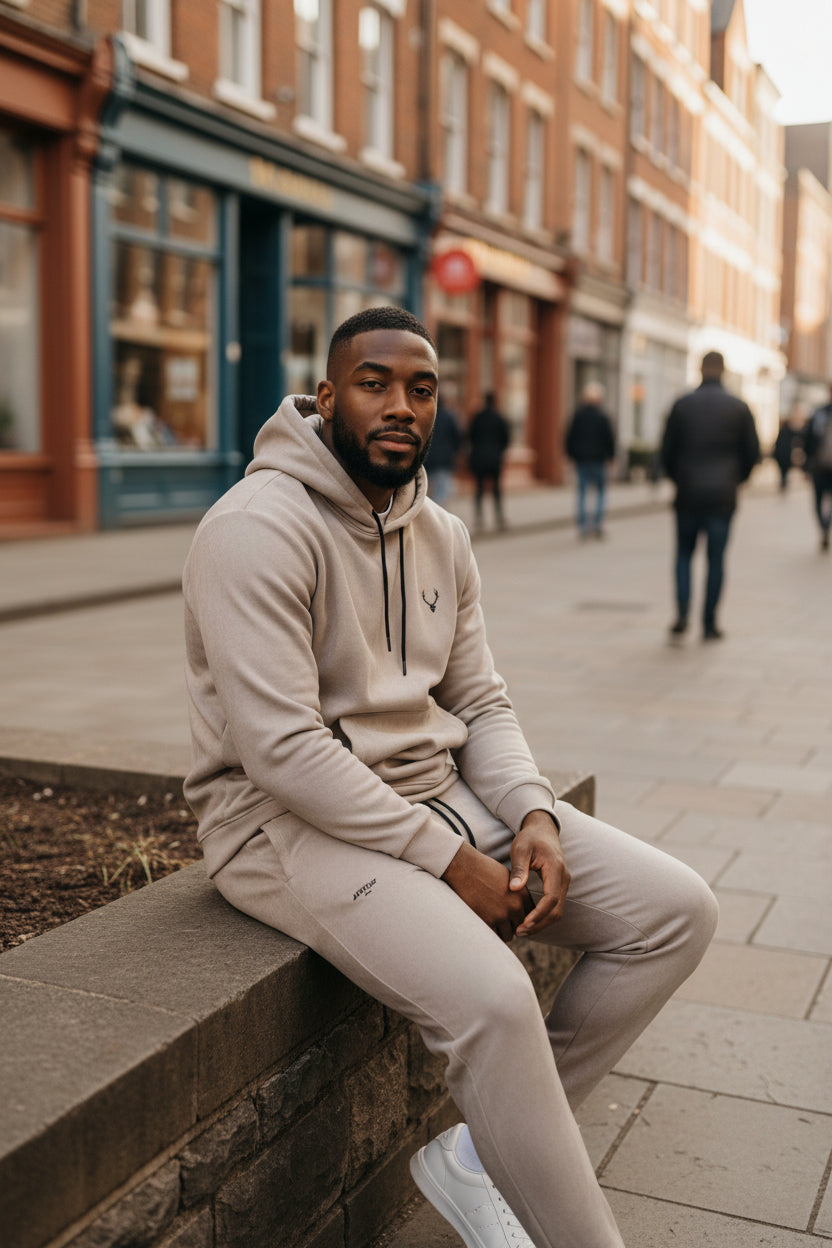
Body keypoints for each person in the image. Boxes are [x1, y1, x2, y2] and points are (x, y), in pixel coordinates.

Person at [183, 306, 718, 1248]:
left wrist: (535, 815)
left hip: (439, 793)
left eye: (421, 389)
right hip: (279, 824)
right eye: (375, 383)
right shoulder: (255, 529)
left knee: (675, 911)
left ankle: (481, 1156)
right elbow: (283, 751)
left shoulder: (443, 533)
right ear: (325, 397)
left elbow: (484, 703)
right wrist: (447, 859)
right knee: (496, 998)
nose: (401, 406)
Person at [660, 350, 759, 641]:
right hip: (722, 496)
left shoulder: (682, 405)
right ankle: (710, 623)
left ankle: (681, 615)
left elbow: (666, 452)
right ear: (723, 371)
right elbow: (751, 454)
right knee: (716, 559)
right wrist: (735, 479)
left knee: (683, 555)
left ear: (700, 369)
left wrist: (680, 479)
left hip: (688, 493)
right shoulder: (739, 408)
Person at [564, 381, 617, 538]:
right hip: (598, 459)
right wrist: (611, 456)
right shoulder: (602, 417)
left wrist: (570, 455)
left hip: (582, 459)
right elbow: (609, 439)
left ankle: (582, 526)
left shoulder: (578, 416)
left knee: (582, 492)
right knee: (600, 492)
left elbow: (569, 437)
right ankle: (597, 524)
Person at [467, 392, 510, 531]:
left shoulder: (478, 418)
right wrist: (499, 451)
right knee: (496, 489)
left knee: (479, 488)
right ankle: (499, 517)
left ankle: (479, 518)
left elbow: (470, 436)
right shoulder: (499, 418)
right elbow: (506, 439)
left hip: (479, 457)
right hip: (494, 459)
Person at [803, 390, 832, 551]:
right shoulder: (819, 413)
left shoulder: (819, 413)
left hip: (819, 466)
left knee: (818, 501)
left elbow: (808, 439)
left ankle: (824, 525)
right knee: (823, 500)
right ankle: (825, 524)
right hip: (820, 467)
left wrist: (806, 465)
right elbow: (809, 439)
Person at [424, 394, 462, 507]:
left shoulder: (426, 417)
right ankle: (434, 519)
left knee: (426, 492)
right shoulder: (449, 417)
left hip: (426, 460)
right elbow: (457, 437)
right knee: (442, 492)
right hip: (443, 460)